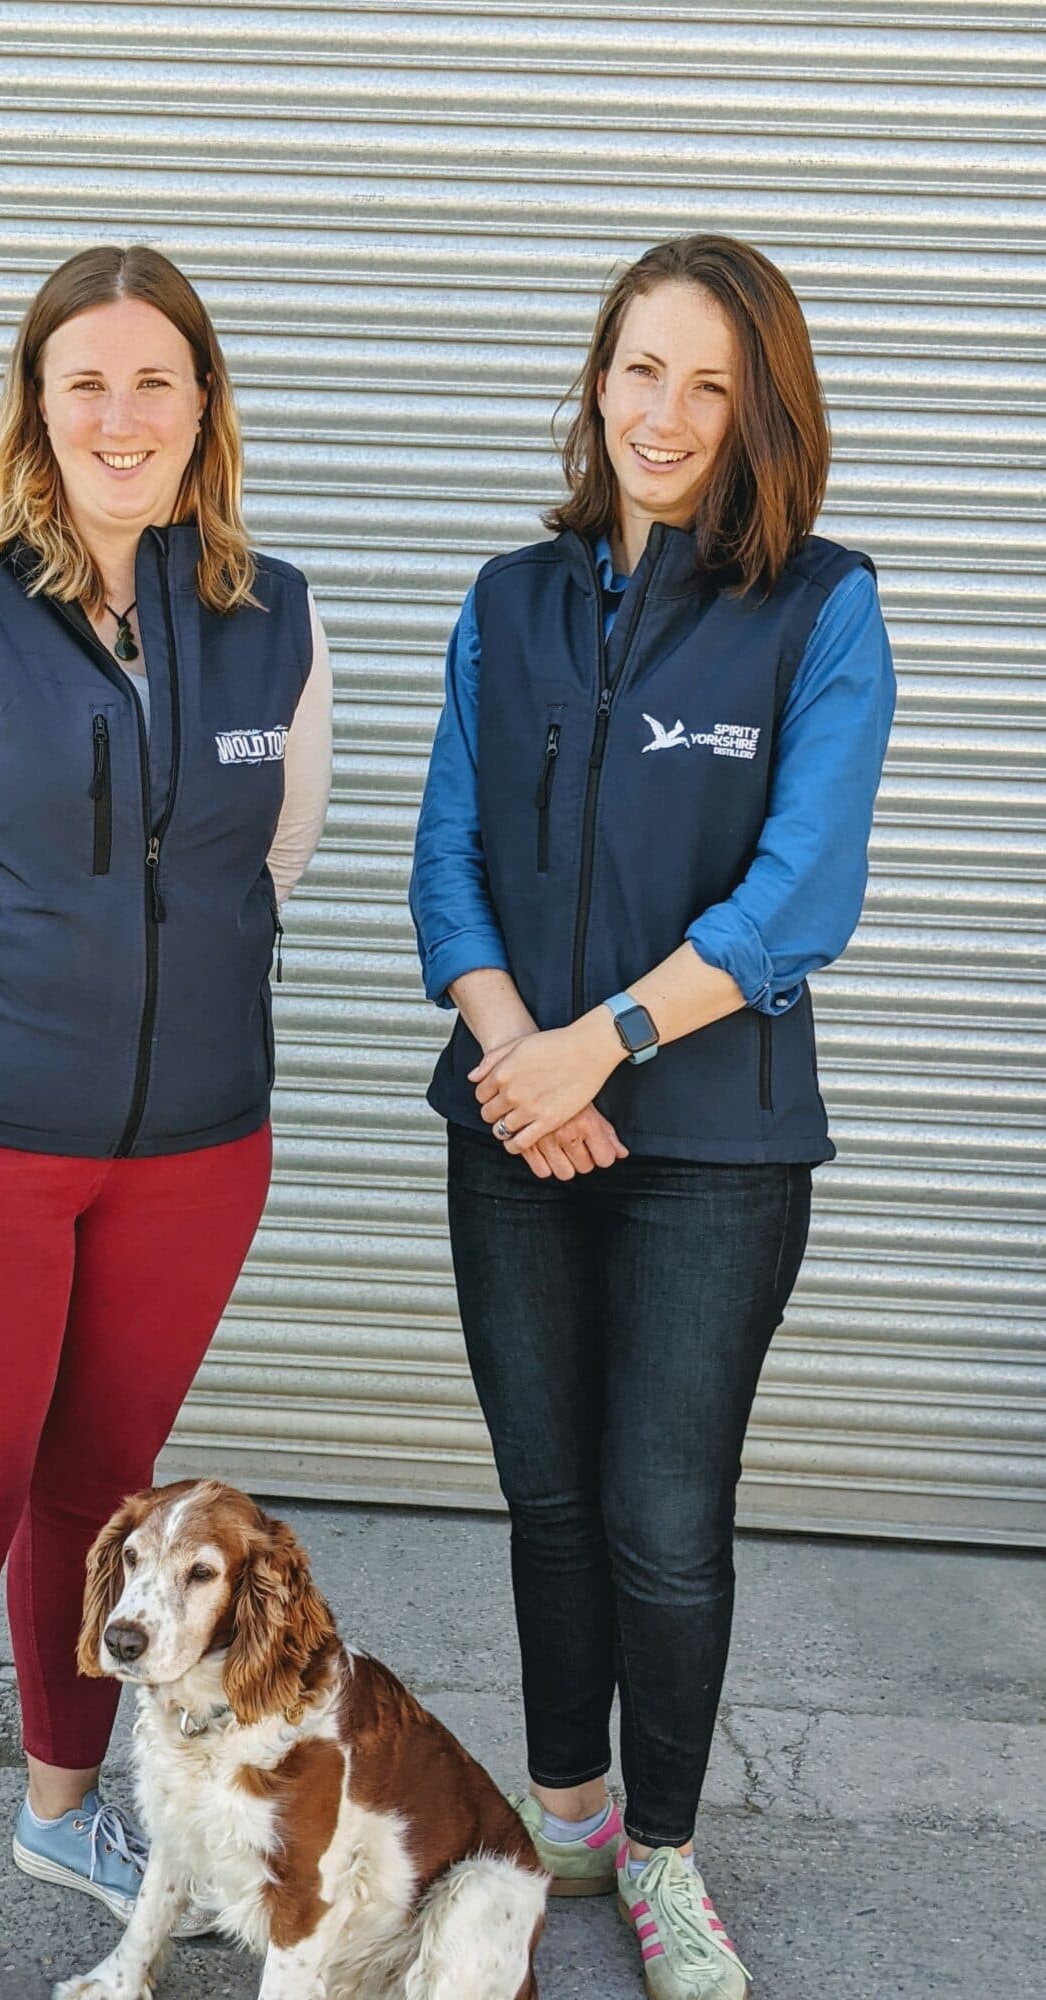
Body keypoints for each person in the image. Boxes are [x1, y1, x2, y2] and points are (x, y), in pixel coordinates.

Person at [0, 244, 332, 2000]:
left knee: (104, 1506)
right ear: (36, 404)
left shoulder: (271, 616)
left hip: (190, 1156)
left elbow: (269, 861)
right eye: (83, 381)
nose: (119, 416)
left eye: (153, 381)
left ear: (202, 407)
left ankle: (60, 1807)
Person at [409, 234, 894, 2000]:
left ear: (762, 409)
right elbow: (445, 862)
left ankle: (667, 1858)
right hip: (511, 1121)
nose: (664, 414)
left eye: (708, 382)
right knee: (547, 1502)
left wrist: (598, 1046)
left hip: (713, 1148)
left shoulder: (820, 609)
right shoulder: (507, 600)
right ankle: (566, 1822)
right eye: (638, 369)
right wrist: (516, 1060)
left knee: (662, 1519)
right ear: (595, 379)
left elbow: (798, 895)